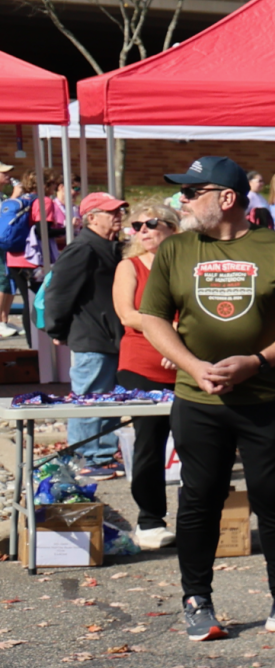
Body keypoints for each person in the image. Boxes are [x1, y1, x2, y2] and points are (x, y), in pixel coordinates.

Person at [132, 156, 275, 643]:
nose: (181, 200)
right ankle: (196, 600)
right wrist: (192, 366)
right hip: (197, 400)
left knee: (274, 498)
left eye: (191, 192)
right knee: (199, 499)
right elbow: (152, 318)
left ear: (226, 198)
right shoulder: (176, 249)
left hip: (265, 396)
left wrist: (258, 362)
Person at [42, 192, 128, 479]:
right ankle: (83, 460)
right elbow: (59, 293)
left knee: (108, 401)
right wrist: (57, 329)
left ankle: (102, 456)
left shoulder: (112, 247)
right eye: (111, 212)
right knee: (90, 402)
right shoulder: (83, 249)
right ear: (91, 218)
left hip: (110, 337)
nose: (118, 216)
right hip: (91, 337)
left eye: (119, 211)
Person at [111, 200, 180, 549]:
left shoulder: (188, 264)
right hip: (142, 366)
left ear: (172, 227)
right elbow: (128, 315)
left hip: (187, 366)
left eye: (150, 224)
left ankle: (201, 518)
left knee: (198, 443)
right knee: (150, 443)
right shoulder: (130, 266)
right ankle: (150, 521)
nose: (142, 231)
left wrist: (183, 347)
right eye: (136, 226)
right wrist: (172, 336)